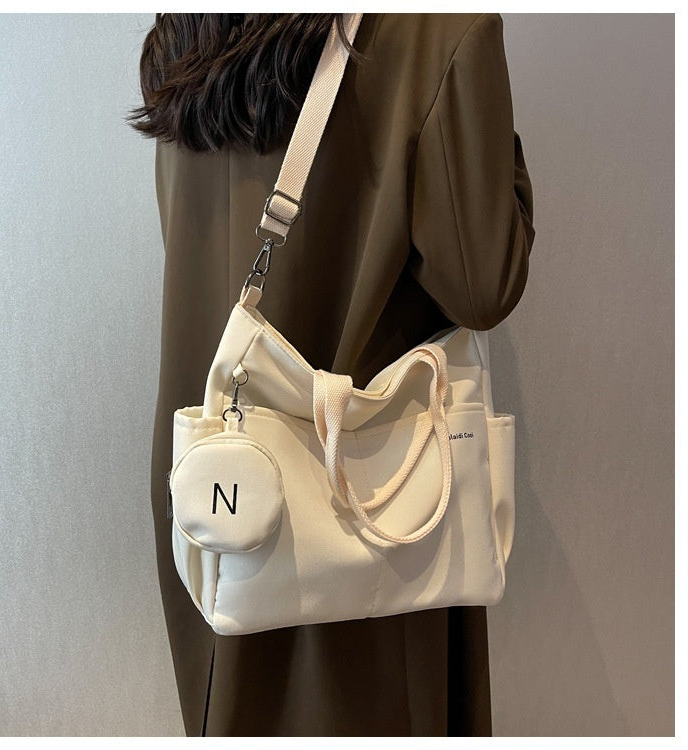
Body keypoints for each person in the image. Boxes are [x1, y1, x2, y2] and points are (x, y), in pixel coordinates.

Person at [129, 12, 535, 737]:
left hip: (211, 480)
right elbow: (484, 283)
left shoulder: (188, 27)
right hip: (366, 503)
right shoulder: (435, 31)